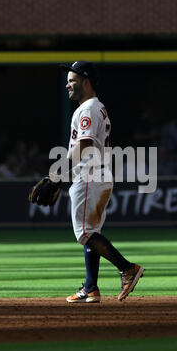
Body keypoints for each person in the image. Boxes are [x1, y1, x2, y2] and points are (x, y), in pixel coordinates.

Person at [55, 61, 144, 303]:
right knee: (92, 232)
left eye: (72, 81)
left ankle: (128, 269)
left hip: (89, 175)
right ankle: (91, 287)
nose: (67, 85)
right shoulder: (97, 108)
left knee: (85, 233)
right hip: (99, 174)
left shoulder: (88, 109)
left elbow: (83, 145)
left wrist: (57, 174)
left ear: (86, 82)